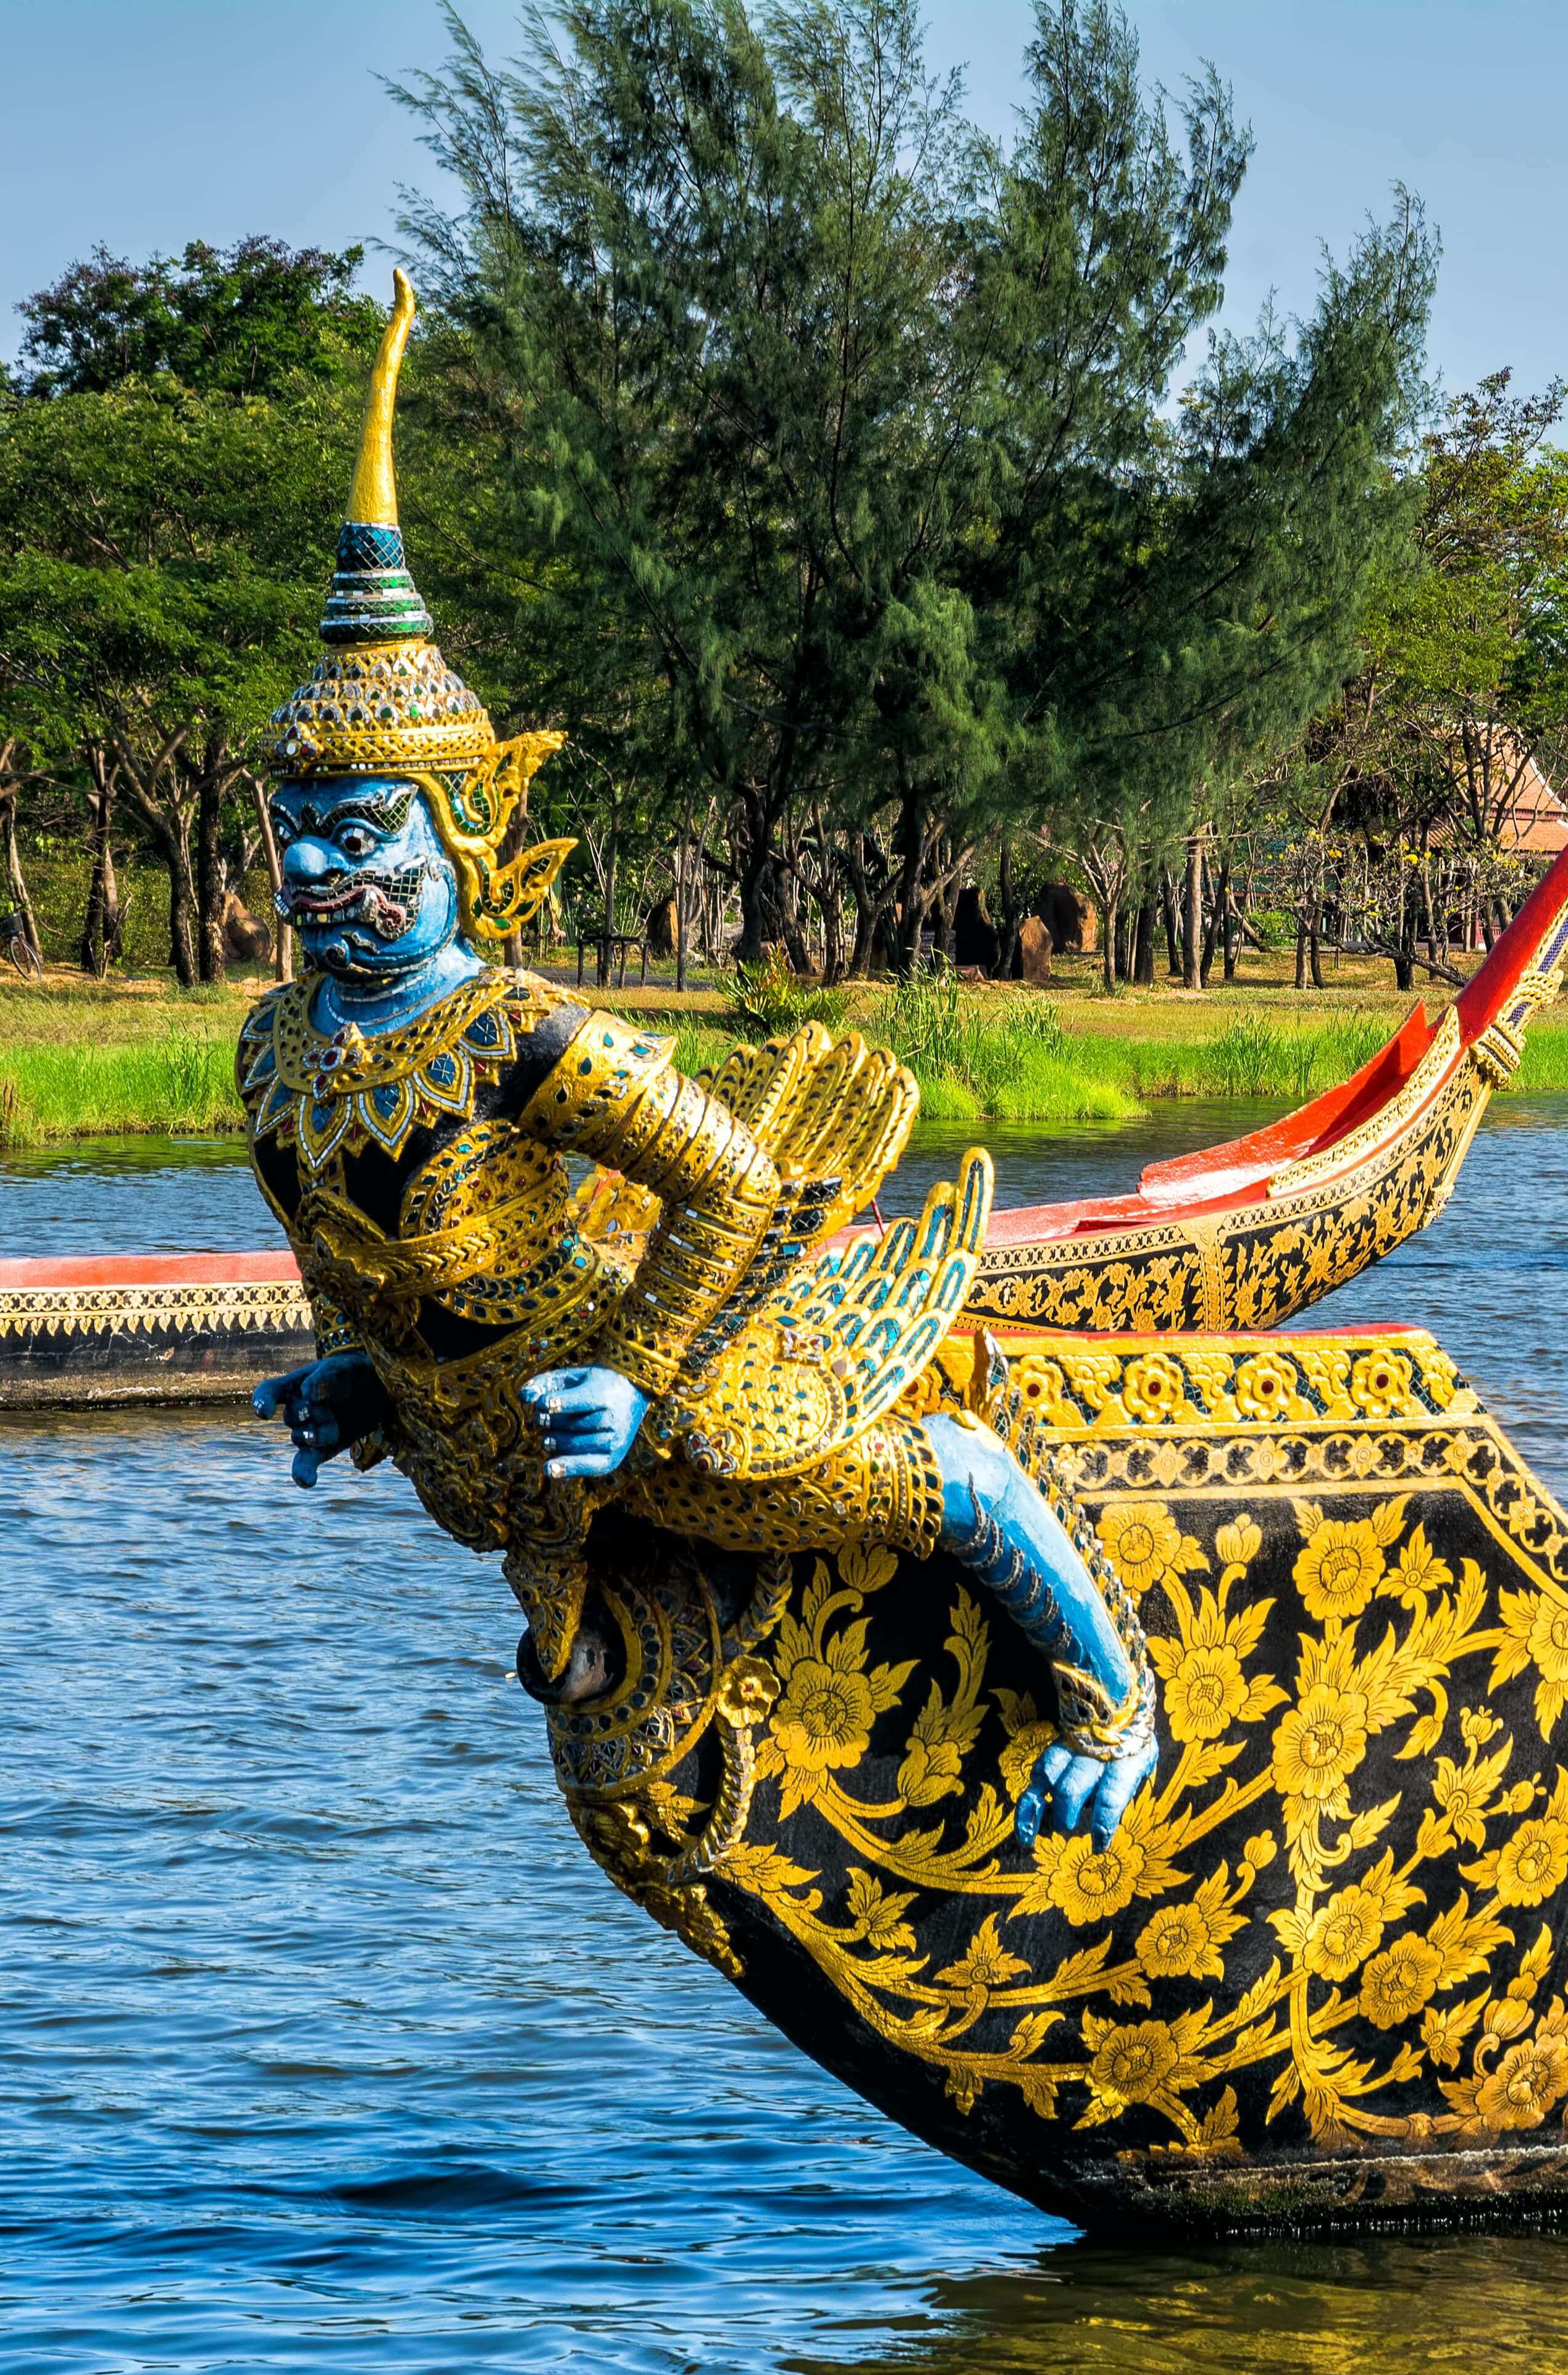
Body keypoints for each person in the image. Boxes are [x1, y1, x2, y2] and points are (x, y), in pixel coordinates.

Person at [241, 273, 1155, 1851]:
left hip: (628, 1382)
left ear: (459, 836)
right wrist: (355, 1377)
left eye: (363, 827)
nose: (324, 867)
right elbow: (349, 1235)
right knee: (580, 1690)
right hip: (485, 1442)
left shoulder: (513, 1031)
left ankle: (1106, 1690)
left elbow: (730, 1176)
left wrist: (643, 1377)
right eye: (297, 829)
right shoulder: (273, 1043)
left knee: (832, 1479)